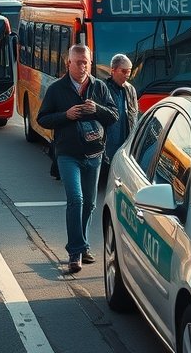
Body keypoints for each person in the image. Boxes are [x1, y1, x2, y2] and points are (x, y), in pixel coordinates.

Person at [36, 44, 119, 274]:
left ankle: (82, 247)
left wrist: (97, 109)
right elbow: (42, 119)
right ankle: (75, 252)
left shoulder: (99, 87)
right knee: (76, 199)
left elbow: (114, 116)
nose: (83, 66)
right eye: (78, 62)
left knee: (91, 203)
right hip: (67, 154)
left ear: (91, 63)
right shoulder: (57, 89)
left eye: (86, 62)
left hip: (94, 154)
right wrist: (66, 115)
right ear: (68, 63)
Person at [103, 53, 138, 165]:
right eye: (124, 71)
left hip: (126, 141)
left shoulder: (130, 89)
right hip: (108, 142)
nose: (127, 75)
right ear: (113, 70)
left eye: (129, 71)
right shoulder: (103, 88)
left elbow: (134, 115)